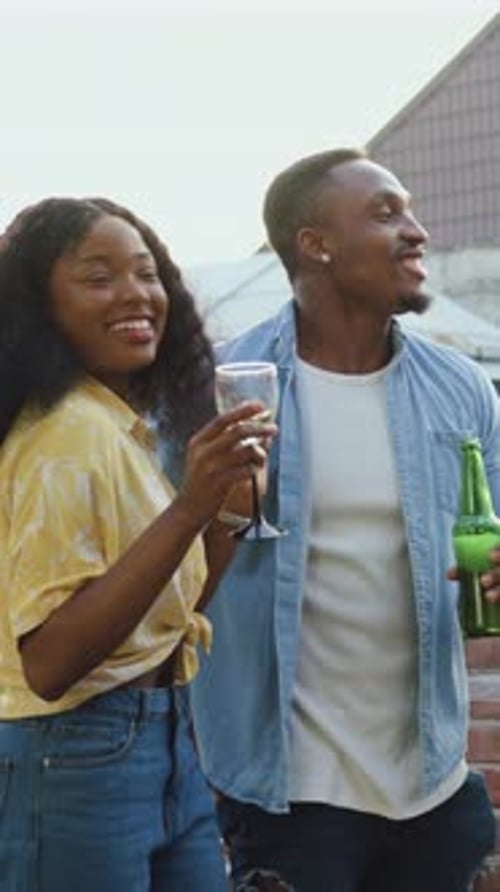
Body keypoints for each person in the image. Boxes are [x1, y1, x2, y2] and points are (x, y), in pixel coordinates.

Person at [187, 148, 499, 892]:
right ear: (315, 245)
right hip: (288, 792)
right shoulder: (227, 388)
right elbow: (172, 585)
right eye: (386, 213)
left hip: (431, 778)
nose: (416, 232)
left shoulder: (460, 389)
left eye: (412, 212)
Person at [0, 195, 276, 891]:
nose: (136, 294)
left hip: (163, 737)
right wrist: (190, 507)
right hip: (72, 755)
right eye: (98, 277)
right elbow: (52, 664)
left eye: (147, 273)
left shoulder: (119, 424)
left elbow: (163, 619)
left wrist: (228, 512)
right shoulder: (62, 437)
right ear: (40, 306)